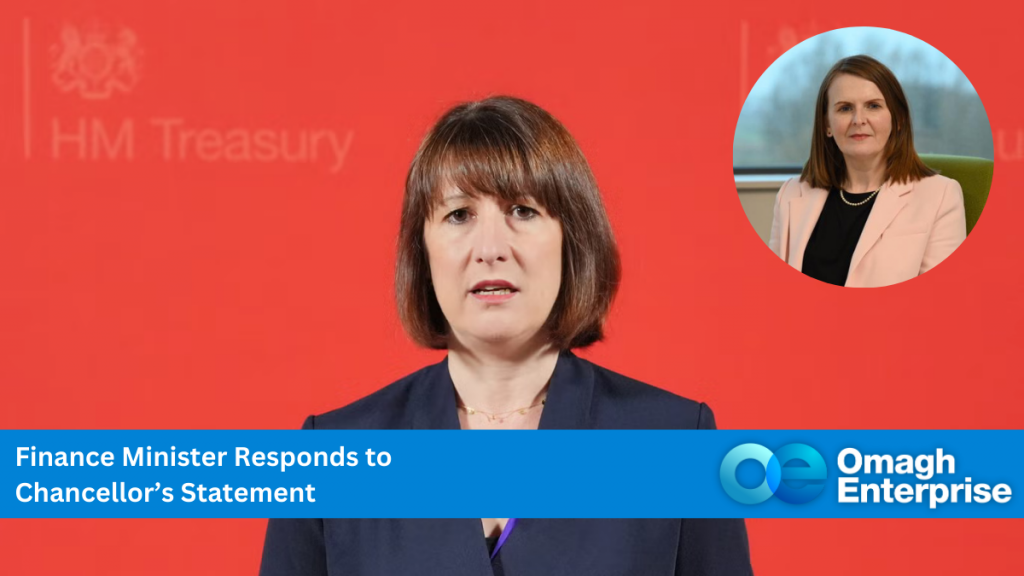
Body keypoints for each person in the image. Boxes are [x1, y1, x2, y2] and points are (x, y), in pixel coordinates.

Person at [259, 96, 753, 575]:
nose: (491, 248)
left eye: (522, 210)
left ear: (572, 239)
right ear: (422, 252)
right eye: (459, 215)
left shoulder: (677, 441)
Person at [769, 55, 967, 288]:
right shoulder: (790, 194)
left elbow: (936, 302)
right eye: (845, 108)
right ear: (827, 125)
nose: (858, 119)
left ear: (899, 119)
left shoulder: (941, 196)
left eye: (873, 106)